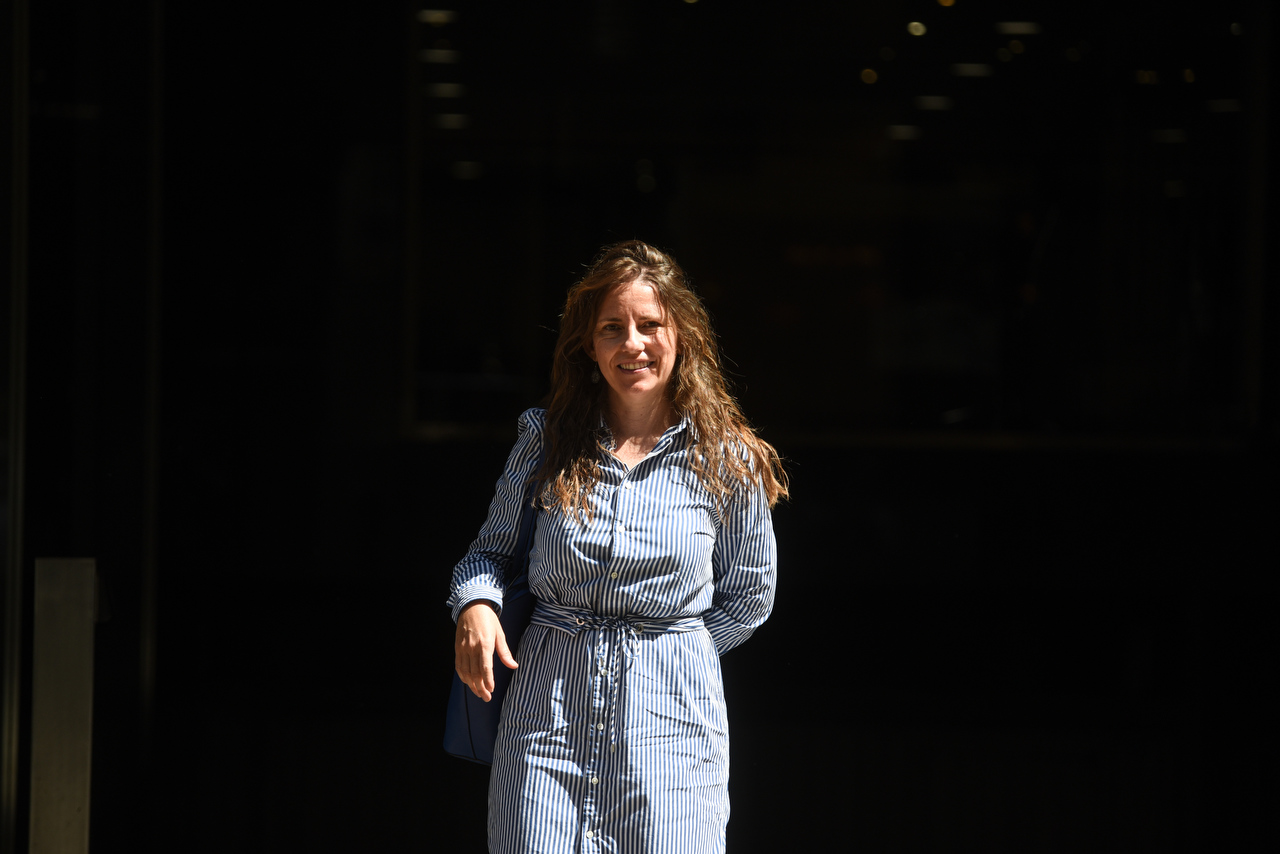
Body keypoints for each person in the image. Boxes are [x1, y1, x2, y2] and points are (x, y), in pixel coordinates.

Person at [448, 240, 787, 853]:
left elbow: (750, 595)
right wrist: (476, 606)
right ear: (589, 343)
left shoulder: (726, 458)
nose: (632, 343)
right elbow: (488, 556)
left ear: (681, 334)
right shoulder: (545, 441)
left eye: (649, 324)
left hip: (672, 726)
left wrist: (669, 648)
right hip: (547, 720)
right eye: (612, 328)